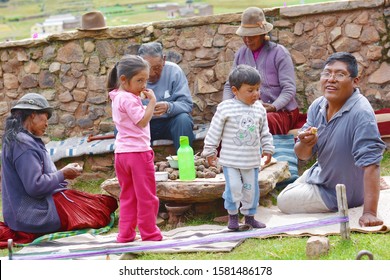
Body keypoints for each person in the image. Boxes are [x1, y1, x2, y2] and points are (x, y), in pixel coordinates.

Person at [277, 52, 386, 227]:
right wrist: (305, 143)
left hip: (340, 193)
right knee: (303, 179)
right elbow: (303, 155)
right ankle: (313, 181)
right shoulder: (318, 106)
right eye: (327, 73)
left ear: (355, 81)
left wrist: (369, 213)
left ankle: (355, 191)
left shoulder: (361, 113)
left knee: (283, 200)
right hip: (322, 174)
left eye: (340, 74)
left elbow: (372, 163)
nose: (331, 79)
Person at [0, 93, 118, 248]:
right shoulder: (24, 145)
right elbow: (35, 186)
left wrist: (62, 173)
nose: (47, 124)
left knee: (105, 203)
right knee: (102, 210)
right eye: (45, 118)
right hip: (35, 215)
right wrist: (63, 174)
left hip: (23, 213)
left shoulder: (21, 140)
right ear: (33, 115)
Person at [202, 64, 274, 230]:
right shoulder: (225, 108)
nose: (255, 94)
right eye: (250, 90)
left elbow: (264, 131)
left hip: (251, 161)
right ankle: (233, 218)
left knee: (251, 190)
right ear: (235, 90)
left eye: (258, 89)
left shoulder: (259, 109)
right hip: (231, 161)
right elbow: (214, 131)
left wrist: (268, 148)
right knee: (234, 188)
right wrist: (210, 151)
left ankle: (249, 217)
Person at [107, 54, 163, 242]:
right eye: (139, 80)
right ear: (124, 79)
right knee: (146, 196)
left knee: (128, 196)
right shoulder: (129, 99)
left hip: (121, 155)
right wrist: (152, 103)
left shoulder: (116, 96)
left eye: (145, 80)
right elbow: (141, 120)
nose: (143, 85)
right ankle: (150, 233)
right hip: (138, 154)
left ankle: (125, 234)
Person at [223, 7, 299, 135]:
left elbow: (289, 88)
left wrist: (274, 106)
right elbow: (229, 85)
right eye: (244, 36)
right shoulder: (241, 54)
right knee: (227, 123)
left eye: (251, 36)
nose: (247, 40)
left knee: (263, 121)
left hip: (280, 111)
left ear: (263, 35)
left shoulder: (279, 53)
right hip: (249, 110)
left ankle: (261, 155)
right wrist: (226, 107)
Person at [137, 42, 195, 151]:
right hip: (144, 125)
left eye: (157, 68)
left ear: (164, 59)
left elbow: (187, 104)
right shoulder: (133, 76)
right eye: (148, 69)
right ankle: (136, 166)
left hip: (170, 122)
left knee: (183, 119)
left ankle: (185, 161)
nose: (153, 74)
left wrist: (169, 107)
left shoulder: (174, 71)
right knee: (121, 128)